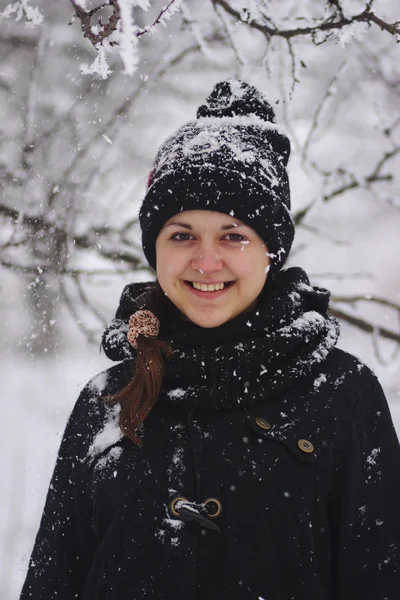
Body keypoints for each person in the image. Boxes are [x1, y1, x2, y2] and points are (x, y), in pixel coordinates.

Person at [20, 79, 400, 600]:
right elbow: (53, 583)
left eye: (233, 235)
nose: (205, 262)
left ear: (271, 251)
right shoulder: (106, 400)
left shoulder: (343, 395)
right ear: (156, 251)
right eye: (181, 235)